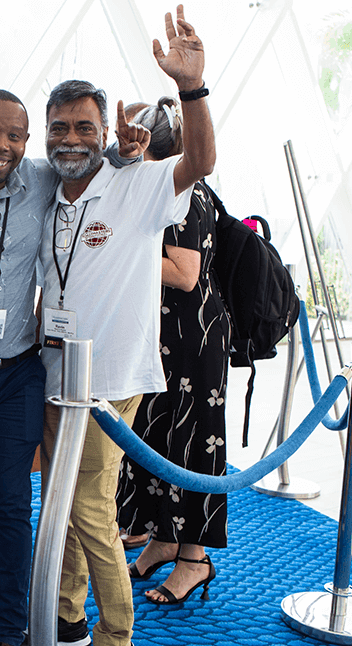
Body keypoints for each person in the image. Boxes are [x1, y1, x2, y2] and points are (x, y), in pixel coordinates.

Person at [0, 89, 135, 646]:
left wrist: (131, 148)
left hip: (16, 374)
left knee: (9, 505)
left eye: (15, 136)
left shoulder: (38, 179)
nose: (2, 147)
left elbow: (88, 155)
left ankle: (11, 631)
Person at [37, 6, 216, 646]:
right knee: (64, 497)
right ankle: (64, 613)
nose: (72, 137)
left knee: (85, 504)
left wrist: (192, 88)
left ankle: (116, 640)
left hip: (110, 379)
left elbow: (199, 158)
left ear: (104, 126)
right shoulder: (48, 193)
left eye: (86, 125)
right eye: (60, 127)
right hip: (58, 376)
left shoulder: (136, 183)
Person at [116, 96, 230, 605]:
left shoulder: (186, 193)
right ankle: (163, 539)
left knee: (192, 444)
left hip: (194, 340)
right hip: (163, 337)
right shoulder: (155, 188)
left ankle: (194, 559)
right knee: (158, 437)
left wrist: (122, 247)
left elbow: (184, 275)